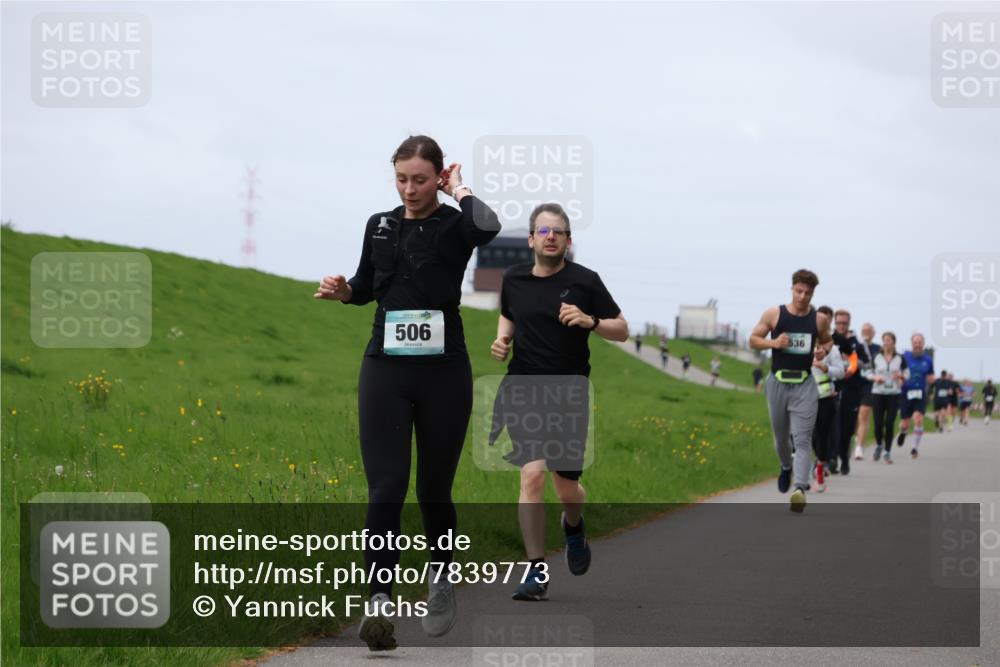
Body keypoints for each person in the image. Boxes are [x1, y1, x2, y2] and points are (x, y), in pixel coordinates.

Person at [314, 135, 501, 650]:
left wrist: (460, 190)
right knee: (386, 487)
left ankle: (440, 575)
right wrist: (343, 291)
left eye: (420, 179)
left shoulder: (455, 224)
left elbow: (487, 227)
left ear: (437, 176)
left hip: (444, 371)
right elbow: (367, 284)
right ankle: (377, 603)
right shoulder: (380, 224)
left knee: (433, 490)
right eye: (401, 179)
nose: (410, 189)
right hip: (385, 368)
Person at [489, 202, 629, 601]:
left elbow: (622, 329)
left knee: (567, 487)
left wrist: (592, 322)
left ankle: (573, 526)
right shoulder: (514, 278)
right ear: (532, 239)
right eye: (543, 231)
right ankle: (535, 571)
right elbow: (509, 314)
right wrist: (503, 340)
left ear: (568, 241)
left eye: (559, 232)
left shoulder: (586, 281)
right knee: (531, 475)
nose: (551, 237)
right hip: (523, 388)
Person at [749, 269, 833, 513]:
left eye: (808, 293)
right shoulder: (775, 314)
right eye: (799, 291)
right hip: (777, 382)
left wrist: (823, 351)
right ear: (792, 289)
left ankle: (800, 488)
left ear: (813, 293)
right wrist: (774, 343)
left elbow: (827, 341)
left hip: (805, 384)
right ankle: (786, 466)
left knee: (803, 439)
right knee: (781, 439)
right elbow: (753, 339)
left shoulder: (819, 320)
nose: (802, 296)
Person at [828, 309, 869, 476]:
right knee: (831, 425)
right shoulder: (829, 340)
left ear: (849, 323)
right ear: (834, 323)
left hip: (852, 390)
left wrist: (852, 361)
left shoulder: (856, 343)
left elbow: (867, 363)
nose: (841, 326)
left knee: (847, 428)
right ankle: (831, 458)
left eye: (844, 323)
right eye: (838, 323)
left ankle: (844, 459)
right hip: (832, 388)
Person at [811, 330, 844, 492]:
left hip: (825, 397)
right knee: (806, 435)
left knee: (821, 436)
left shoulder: (833, 350)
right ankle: (809, 468)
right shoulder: (803, 346)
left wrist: (826, 367)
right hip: (803, 398)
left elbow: (841, 372)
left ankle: (819, 471)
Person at [870, 332, 908, 464]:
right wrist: (875, 377)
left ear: (893, 342)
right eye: (884, 340)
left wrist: (901, 377)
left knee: (890, 423)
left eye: (889, 340)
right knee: (878, 423)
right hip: (878, 393)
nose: (886, 343)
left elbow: (907, 373)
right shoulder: (876, 357)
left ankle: (887, 451)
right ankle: (879, 445)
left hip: (893, 393)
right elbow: (867, 372)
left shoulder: (900, 358)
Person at [897, 333, 935, 459]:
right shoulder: (905, 356)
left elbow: (930, 375)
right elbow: (898, 370)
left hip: (920, 393)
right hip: (905, 392)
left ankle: (914, 447)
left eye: (919, 342)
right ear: (912, 343)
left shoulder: (928, 360)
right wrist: (899, 379)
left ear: (923, 344)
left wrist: (931, 380)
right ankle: (903, 432)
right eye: (915, 342)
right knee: (905, 423)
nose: (917, 345)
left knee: (918, 418)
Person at [854, 322, 881, 460]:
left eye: (869, 330)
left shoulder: (878, 348)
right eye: (864, 330)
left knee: (863, 415)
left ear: (873, 333)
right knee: (854, 419)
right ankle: (857, 437)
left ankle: (859, 447)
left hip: (869, 385)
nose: (866, 333)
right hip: (854, 385)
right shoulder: (857, 347)